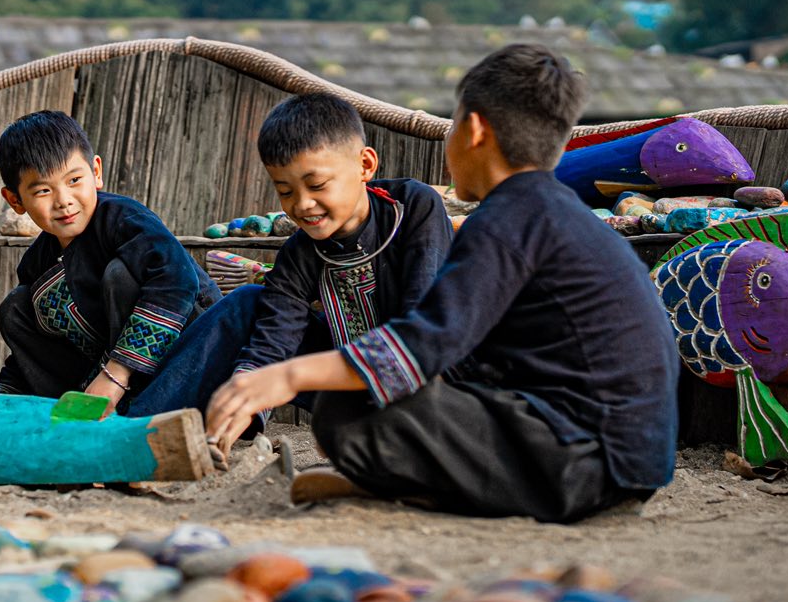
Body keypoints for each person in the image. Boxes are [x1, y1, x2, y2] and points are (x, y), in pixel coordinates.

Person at [205, 43, 680, 521]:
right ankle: (417, 484)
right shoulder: (548, 211)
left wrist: (287, 376)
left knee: (346, 411)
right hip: (624, 459)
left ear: (473, 131)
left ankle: (412, 486)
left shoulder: (508, 220)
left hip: (589, 464)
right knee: (378, 398)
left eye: (451, 124)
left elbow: (424, 345)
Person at [132, 92, 452, 421]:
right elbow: (275, 336)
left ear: (365, 165)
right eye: (285, 191)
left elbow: (423, 315)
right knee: (249, 302)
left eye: (317, 185)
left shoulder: (412, 206)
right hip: (348, 391)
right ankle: (134, 429)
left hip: (431, 383)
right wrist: (246, 395)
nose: (301, 205)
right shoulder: (299, 251)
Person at [0, 110, 219, 416]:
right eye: (44, 190)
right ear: (15, 200)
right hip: (105, 376)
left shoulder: (126, 220)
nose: (63, 200)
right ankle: (65, 408)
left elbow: (177, 283)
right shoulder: (38, 261)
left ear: (95, 171)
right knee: (17, 307)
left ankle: (130, 400)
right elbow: (27, 352)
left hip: (191, 357)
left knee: (120, 275)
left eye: (74, 180)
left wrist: (117, 372)